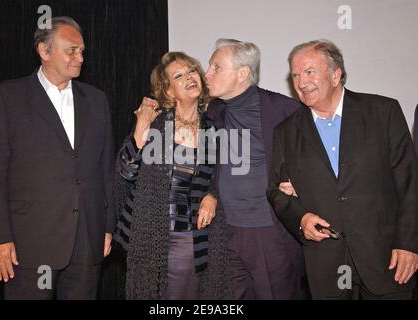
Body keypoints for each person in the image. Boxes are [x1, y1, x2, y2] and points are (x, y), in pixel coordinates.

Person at [0, 16, 115, 299]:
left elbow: (105, 169)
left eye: (82, 51)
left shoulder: (97, 100)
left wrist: (107, 226)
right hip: (28, 244)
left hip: (86, 239)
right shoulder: (7, 97)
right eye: (71, 50)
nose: (80, 57)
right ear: (44, 50)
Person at [267, 39, 418, 299]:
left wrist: (408, 244)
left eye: (309, 72)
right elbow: (276, 191)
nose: (301, 82)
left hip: (388, 260)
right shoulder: (286, 132)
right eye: (295, 75)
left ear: (336, 75)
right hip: (327, 266)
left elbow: (409, 183)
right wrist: (301, 219)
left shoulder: (383, 112)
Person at [113, 52, 232, 300]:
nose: (190, 78)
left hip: (187, 236)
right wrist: (139, 130)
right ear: (168, 91)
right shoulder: (155, 124)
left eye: (191, 72)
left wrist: (212, 195)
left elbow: (218, 177)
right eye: (179, 76)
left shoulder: (212, 129)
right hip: (148, 235)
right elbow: (126, 172)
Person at [200, 38, 306, 299]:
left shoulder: (283, 109)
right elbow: (213, 163)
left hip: (267, 231)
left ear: (243, 73)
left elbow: (315, 158)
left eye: (216, 67)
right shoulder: (214, 110)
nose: (207, 73)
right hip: (225, 231)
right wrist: (212, 193)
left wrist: (301, 183)